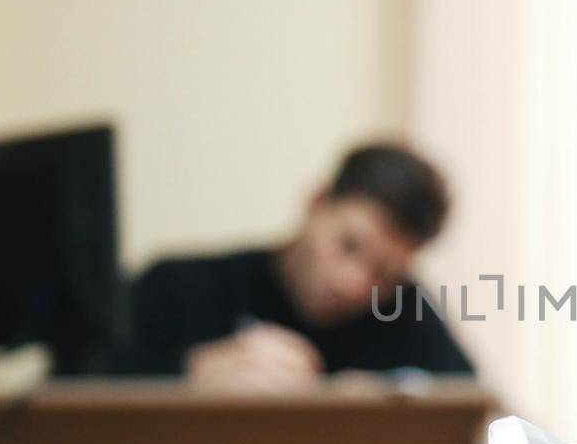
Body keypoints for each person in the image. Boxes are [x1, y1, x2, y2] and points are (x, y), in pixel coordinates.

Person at [118, 141, 471, 387]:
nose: (355, 283)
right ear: (317, 203)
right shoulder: (180, 286)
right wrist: (187, 375)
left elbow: (485, 422)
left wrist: (388, 398)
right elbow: (82, 381)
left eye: (383, 273)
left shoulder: (404, 310)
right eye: (348, 246)